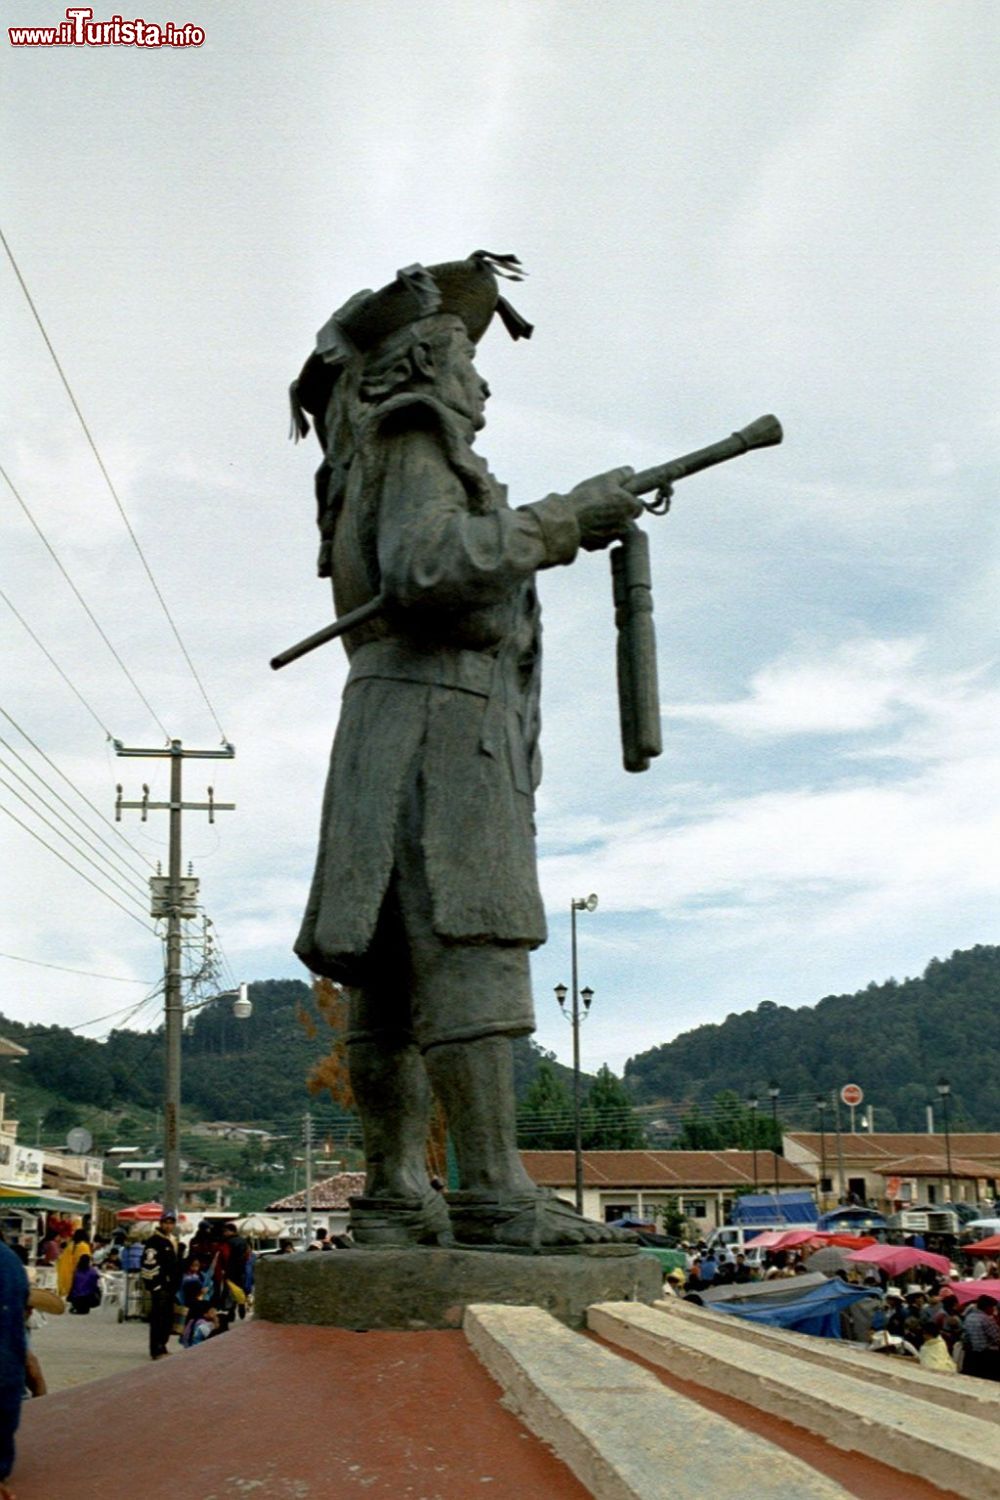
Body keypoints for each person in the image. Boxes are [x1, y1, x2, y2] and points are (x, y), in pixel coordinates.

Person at [290, 251, 642, 1251]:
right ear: (417, 371)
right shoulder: (415, 445)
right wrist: (561, 520)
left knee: (391, 974)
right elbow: (431, 566)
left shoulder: (373, 461)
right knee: (469, 947)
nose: (480, 382)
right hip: (440, 730)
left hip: (391, 725)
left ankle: (399, 1193)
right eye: (464, 359)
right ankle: (486, 1186)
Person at [140, 1211, 180, 1360]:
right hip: (159, 1286)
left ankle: (163, 1345)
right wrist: (154, 1285)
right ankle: (155, 1349)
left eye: (171, 1223)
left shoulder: (172, 1240)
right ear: (161, 1223)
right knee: (158, 1318)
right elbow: (148, 1264)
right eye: (166, 1223)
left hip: (170, 1287)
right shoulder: (154, 1242)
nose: (169, 1226)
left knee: (167, 1319)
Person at [961, 1294, 1000, 1380]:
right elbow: (997, 1338)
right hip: (987, 1355)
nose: (994, 1310)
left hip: (971, 1354)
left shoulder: (969, 1317)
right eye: (993, 1307)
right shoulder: (987, 1319)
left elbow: (965, 1337)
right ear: (987, 1307)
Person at [55, 1226, 91, 1298]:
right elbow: (85, 1260)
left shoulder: (70, 1246)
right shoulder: (84, 1246)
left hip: (68, 1275)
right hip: (79, 1275)